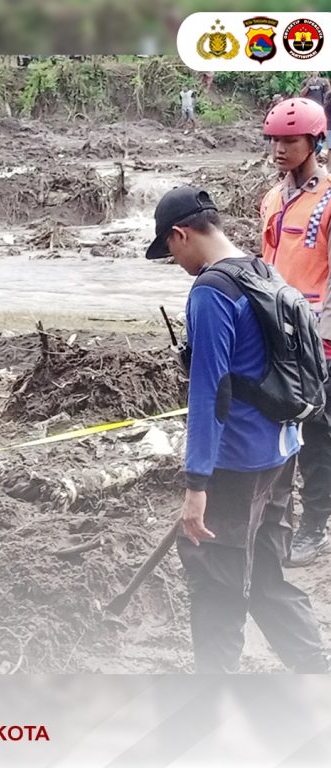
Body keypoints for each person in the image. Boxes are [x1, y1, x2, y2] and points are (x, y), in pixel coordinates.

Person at [146, 185, 329, 673]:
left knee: (215, 585)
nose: (175, 260)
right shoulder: (260, 269)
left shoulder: (210, 292)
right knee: (269, 578)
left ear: (181, 235)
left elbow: (207, 394)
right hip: (281, 451)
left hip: (234, 463)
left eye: (170, 250)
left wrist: (195, 485)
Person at [261, 98, 331, 566]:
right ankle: (277, 522)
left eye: (291, 140)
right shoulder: (272, 198)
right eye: (275, 140)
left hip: (320, 338)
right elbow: (264, 267)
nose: (280, 148)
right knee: (278, 428)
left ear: (315, 142)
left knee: (319, 433)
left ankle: (315, 527)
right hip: (276, 332)